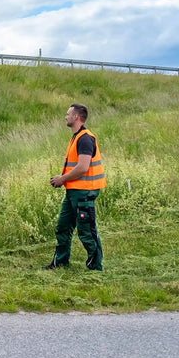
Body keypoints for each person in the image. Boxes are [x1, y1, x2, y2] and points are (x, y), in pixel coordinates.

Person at [44, 103, 105, 270]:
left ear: (76, 117)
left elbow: (83, 167)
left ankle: (95, 267)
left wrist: (62, 179)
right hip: (73, 192)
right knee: (63, 227)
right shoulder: (76, 137)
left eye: (68, 114)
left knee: (86, 231)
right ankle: (60, 262)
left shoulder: (85, 138)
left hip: (84, 192)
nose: (65, 117)